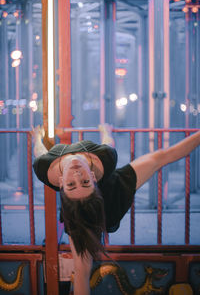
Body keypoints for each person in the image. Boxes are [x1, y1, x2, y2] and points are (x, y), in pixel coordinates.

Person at [32, 125, 200, 295]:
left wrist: (36, 138)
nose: (77, 176)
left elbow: (39, 151)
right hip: (113, 189)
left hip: (79, 209)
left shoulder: (45, 168)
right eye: (84, 182)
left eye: (71, 184)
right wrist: (106, 132)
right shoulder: (105, 159)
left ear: (61, 183)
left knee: (81, 255)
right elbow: (108, 143)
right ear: (91, 177)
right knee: (82, 268)